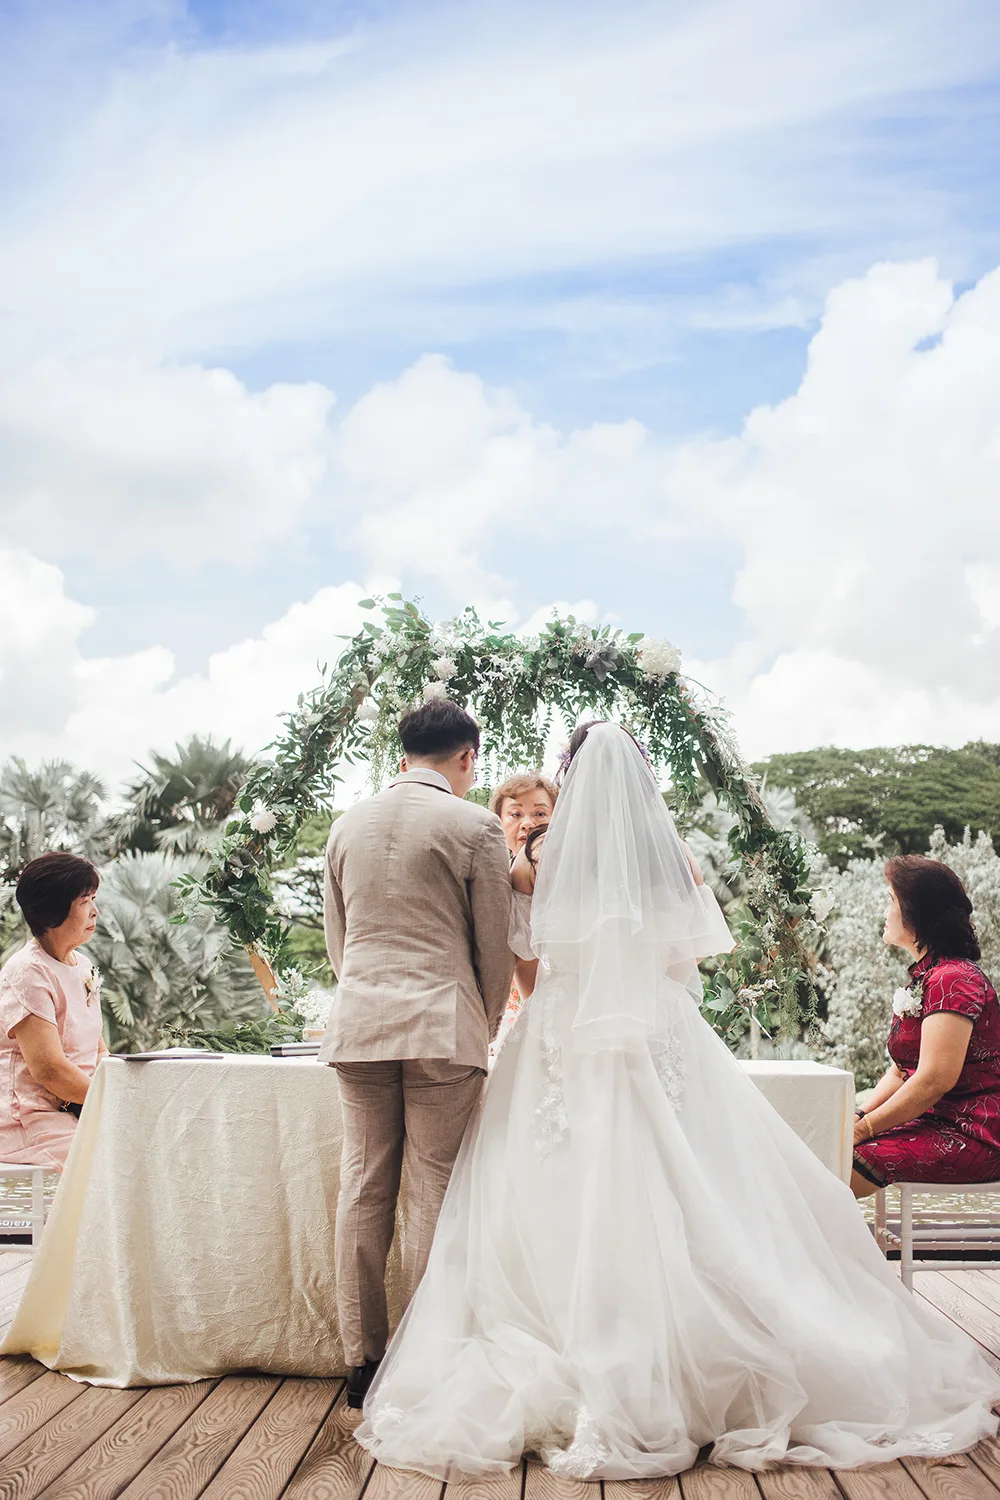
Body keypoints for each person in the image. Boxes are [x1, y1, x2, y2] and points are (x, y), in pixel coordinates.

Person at [356, 723, 999, 1480]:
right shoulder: (672, 857)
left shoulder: (533, 856)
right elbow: (683, 958)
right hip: (656, 1028)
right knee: (686, 1185)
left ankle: (575, 1348)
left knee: (550, 1185)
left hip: (563, 1031)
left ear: (572, 778)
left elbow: (517, 948)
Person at [319, 697, 515, 1409]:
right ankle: (424, 1359)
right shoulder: (476, 824)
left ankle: (360, 1360)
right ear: (468, 756)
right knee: (436, 1187)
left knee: (364, 1184)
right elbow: (493, 946)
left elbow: (339, 941)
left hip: (360, 1021)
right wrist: (484, 1021)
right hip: (443, 1024)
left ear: (403, 754)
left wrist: (363, 996)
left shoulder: (348, 824)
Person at [852, 855, 1000, 1196]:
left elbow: (933, 1080)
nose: (885, 911)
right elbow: (901, 1072)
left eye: (891, 900)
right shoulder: (925, 977)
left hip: (972, 1134)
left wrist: (863, 1132)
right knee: (826, 1152)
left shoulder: (954, 979)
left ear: (918, 912)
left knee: (833, 1168)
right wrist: (860, 1116)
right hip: (931, 1123)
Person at [0, 852, 106, 1170]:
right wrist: (113, 1100)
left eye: (94, 899)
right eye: (85, 901)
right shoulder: (27, 971)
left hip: (79, 1107)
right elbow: (49, 1071)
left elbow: (98, 1051)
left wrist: (123, 1089)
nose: (95, 911)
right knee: (109, 1164)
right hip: (30, 1118)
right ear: (52, 912)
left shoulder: (82, 965)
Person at [488, 774, 558, 1063]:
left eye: (540, 813)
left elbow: (526, 958)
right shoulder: (499, 869)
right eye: (515, 814)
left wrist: (539, 1019)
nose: (527, 823)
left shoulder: (525, 871)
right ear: (498, 821)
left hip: (546, 1006)